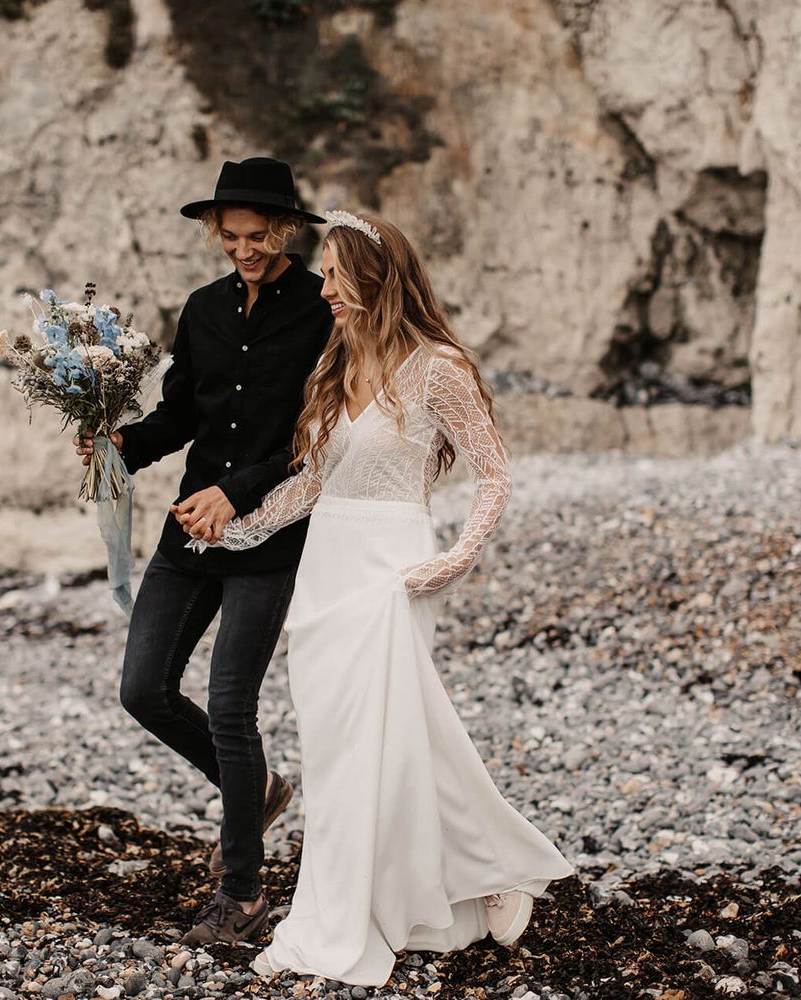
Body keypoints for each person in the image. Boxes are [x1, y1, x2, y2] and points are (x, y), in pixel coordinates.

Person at [176, 210, 573, 987]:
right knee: (347, 749)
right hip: (328, 567)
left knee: (384, 742)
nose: (323, 288)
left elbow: (494, 473)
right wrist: (238, 529)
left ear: (374, 277)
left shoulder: (438, 368)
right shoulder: (336, 363)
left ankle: (364, 908)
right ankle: (473, 876)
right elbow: (314, 484)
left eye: (335, 275)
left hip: (396, 566)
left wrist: (456, 558)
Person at [74, 158, 332, 944]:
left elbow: (319, 438)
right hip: (189, 532)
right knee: (143, 690)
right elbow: (181, 412)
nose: (243, 249)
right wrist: (123, 445)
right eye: (230, 236)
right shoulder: (203, 308)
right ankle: (256, 790)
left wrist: (238, 491)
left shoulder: (324, 310)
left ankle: (243, 894)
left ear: (285, 230)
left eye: (258, 236)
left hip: (269, 536)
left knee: (229, 708)